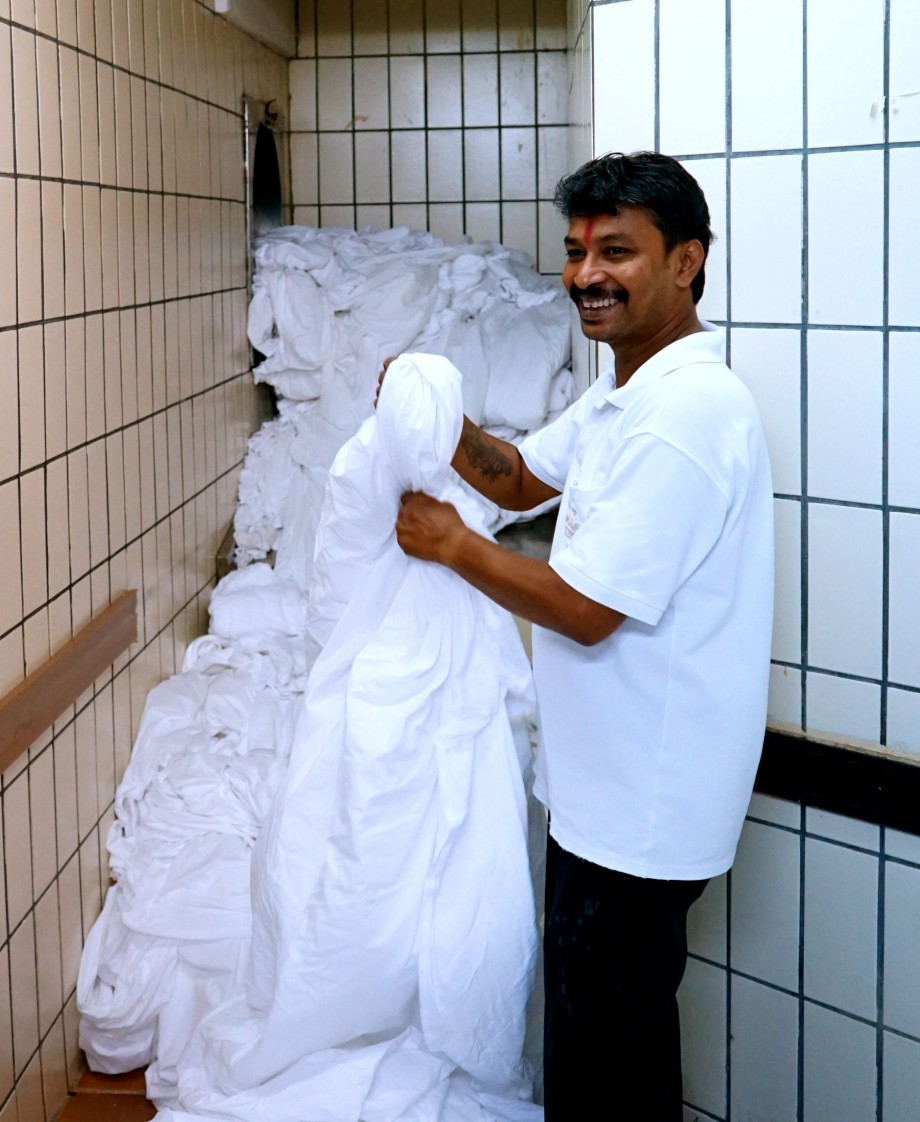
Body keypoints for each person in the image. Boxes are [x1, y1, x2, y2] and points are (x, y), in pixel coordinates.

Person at [391, 151, 774, 1120]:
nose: (585, 275)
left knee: (606, 1066)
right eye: (574, 252)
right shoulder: (623, 395)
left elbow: (584, 608)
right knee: (609, 1045)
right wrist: (438, 421)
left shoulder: (682, 416)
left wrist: (452, 546)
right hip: (606, 797)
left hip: (640, 811)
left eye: (616, 252)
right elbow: (523, 478)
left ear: (685, 260)